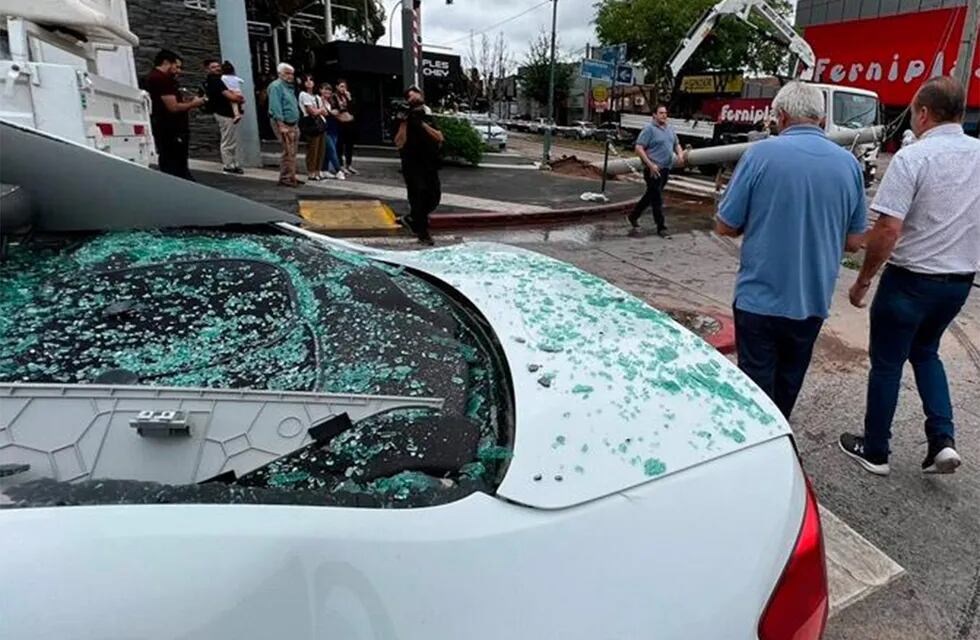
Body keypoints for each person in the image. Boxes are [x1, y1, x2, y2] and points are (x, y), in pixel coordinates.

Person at [840, 76, 979, 477]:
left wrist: (864, 279)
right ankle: (942, 441)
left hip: (910, 280)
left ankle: (877, 449)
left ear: (922, 113)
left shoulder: (913, 157)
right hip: (958, 282)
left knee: (887, 363)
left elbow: (887, 230)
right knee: (926, 351)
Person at [716, 81, 867, 420]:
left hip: (760, 301)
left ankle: (758, 452)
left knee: (755, 390)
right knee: (788, 383)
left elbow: (725, 225)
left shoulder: (759, 155)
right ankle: (781, 441)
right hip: (812, 303)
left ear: (781, 117)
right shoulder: (849, 166)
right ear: (822, 118)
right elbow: (855, 242)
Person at [143, 49, 205, 180]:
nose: (178, 71)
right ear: (166, 62)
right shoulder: (162, 79)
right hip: (172, 129)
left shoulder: (154, 77)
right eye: (176, 67)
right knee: (177, 164)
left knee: (171, 162)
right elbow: (173, 107)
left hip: (166, 127)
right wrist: (195, 103)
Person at [395, 86, 443, 246]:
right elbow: (399, 143)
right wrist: (404, 123)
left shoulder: (427, 116)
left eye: (416, 94)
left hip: (430, 163)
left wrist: (421, 124)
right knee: (418, 196)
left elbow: (439, 137)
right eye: (410, 96)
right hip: (412, 164)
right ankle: (423, 233)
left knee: (434, 197)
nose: (414, 97)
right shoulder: (402, 117)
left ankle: (412, 218)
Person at [628, 104, 686, 237]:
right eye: (661, 113)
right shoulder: (649, 130)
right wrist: (650, 165)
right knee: (657, 199)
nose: (664, 115)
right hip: (653, 170)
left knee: (651, 195)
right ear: (654, 115)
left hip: (665, 168)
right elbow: (639, 148)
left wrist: (680, 155)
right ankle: (661, 227)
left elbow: (676, 144)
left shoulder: (670, 129)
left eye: (665, 113)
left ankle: (633, 215)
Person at [203, 59, 245, 175]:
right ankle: (229, 165)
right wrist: (238, 98)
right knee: (228, 140)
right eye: (213, 67)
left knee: (230, 139)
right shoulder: (215, 81)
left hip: (224, 112)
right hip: (223, 113)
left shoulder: (217, 79)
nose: (217, 68)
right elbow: (228, 95)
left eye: (217, 66)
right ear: (207, 69)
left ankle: (233, 163)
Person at [267, 63, 302, 187]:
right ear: (280, 73)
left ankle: (291, 176)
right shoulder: (276, 86)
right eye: (287, 73)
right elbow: (275, 106)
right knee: (288, 151)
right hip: (283, 123)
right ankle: (286, 178)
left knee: (293, 151)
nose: (290, 76)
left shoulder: (288, 87)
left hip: (293, 123)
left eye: (291, 73)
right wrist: (281, 124)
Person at [297, 74, 326, 182]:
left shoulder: (317, 96)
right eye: (306, 81)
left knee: (321, 149)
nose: (309, 82)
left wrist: (319, 110)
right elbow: (311, 111)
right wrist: (319, 110)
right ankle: (311, 171)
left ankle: (318, 170)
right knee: (312, 148)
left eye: (311, 80)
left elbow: (324, 111)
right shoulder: (303, 95)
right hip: (310, 123)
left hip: (320, 123)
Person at [319, 83, 346, 180]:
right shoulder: (318, 100)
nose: (327, 92)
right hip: (325, 128)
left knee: (329, 149)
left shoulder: (331, 101)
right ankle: (338, 170)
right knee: (332, 150)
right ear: (320, 90)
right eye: (325, 89)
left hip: (334, 127)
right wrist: (331, 112)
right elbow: (323, 112)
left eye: (329, 90)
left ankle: (324, 169)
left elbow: (340, 110)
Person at [334, 79, 359, 175]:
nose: (343, 89)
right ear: (337, 87)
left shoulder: (347, 97)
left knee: (349, 145)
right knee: (340, 144)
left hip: (349, 123)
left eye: (344, 87)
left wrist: (349, 99)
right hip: (340, 123)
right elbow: (335, 109)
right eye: (341, 86)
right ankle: (340, 165)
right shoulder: (334, 97)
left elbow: (353, 108)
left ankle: (348, 164)